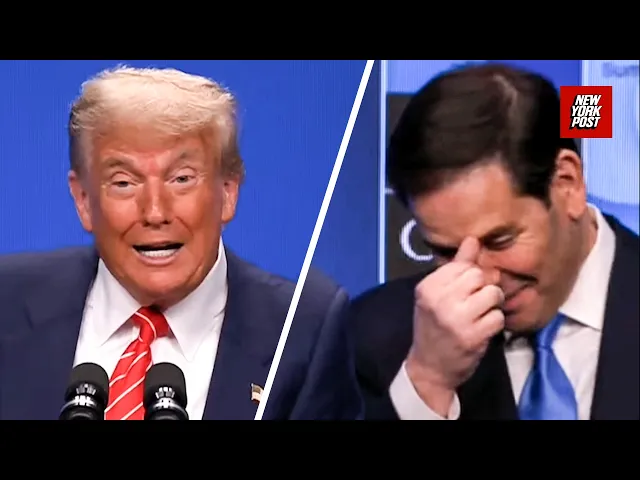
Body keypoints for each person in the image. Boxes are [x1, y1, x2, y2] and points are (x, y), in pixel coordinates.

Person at [0, 66, 362, 420]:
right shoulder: (8, 300)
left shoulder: (302, 330)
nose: (155, 212)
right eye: (124, 183)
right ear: (83, 200)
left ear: (228, 191)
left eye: (182, 178)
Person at [352, 63, 639, 420]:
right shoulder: (375, 339)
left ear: (567, 183)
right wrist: (429, 382)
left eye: (500, 240)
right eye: (447, 252)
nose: (483, 279)